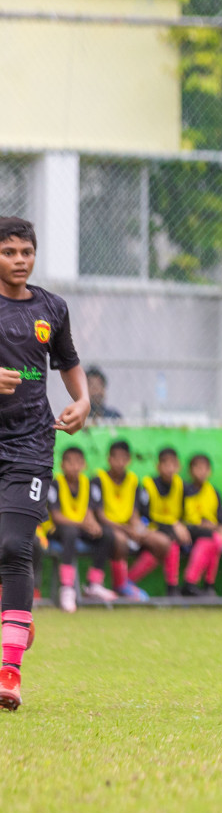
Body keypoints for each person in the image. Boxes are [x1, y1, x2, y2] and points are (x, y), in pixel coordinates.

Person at [0, 217, 90, 710]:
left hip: (30, 446)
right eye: (9, 251)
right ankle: (16, 613)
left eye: (26, 252)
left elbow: (68, 361)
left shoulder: (51, 308)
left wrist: (83, 403)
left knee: (15, 547)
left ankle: (9, 671)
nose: (19, 260)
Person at [95, 440, 164, 602]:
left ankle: (126, 582)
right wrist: (128, 530)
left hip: (128, 527)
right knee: (121, 541)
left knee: (163, 543)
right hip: (109, 528)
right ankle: (121, 585)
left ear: (129, 460)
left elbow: (134, 514)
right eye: (116, 458)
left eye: (124, 458)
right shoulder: (98, 479)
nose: (120, 462)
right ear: (109, 459)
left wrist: (139, 530)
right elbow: (100, 516)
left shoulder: (133, 481)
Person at [47, 446, 114, 611]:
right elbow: (56, 516)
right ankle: (67, 587)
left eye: (78, 462)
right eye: (70, 462)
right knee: (70, 532)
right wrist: (82, 524)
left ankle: (94, 583)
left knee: (106, 534)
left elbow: (89, 510)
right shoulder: (55, 484)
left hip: (80, 528)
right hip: (57, 530)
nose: (74, 466)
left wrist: (93, 525)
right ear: (62, 465)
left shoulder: (88, 483)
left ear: (84, 464)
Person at [129, 446, 187, 596]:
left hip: (166, 531)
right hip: (147, 529)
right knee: (169, 544)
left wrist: (178, 525)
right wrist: (173, 525)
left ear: (178, 466)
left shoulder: (180, 485)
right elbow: (145, 516)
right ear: (158, 466)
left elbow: (183, 514)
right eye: (165, 464)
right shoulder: (148, 485)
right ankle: (172, 588)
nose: (169, 469)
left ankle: (128, 581)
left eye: (173, 464)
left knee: (169, 545)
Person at [181, 453, 222, 596]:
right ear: (190, 471)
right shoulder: (184, 490)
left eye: (205, 468)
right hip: (188, 531)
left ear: (210, 471)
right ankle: (196, 582)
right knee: (210, 538)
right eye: (197, 467)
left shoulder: (214, 493)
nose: (201, 471)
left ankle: (201, 583)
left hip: (209, 533)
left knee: (214, 540)